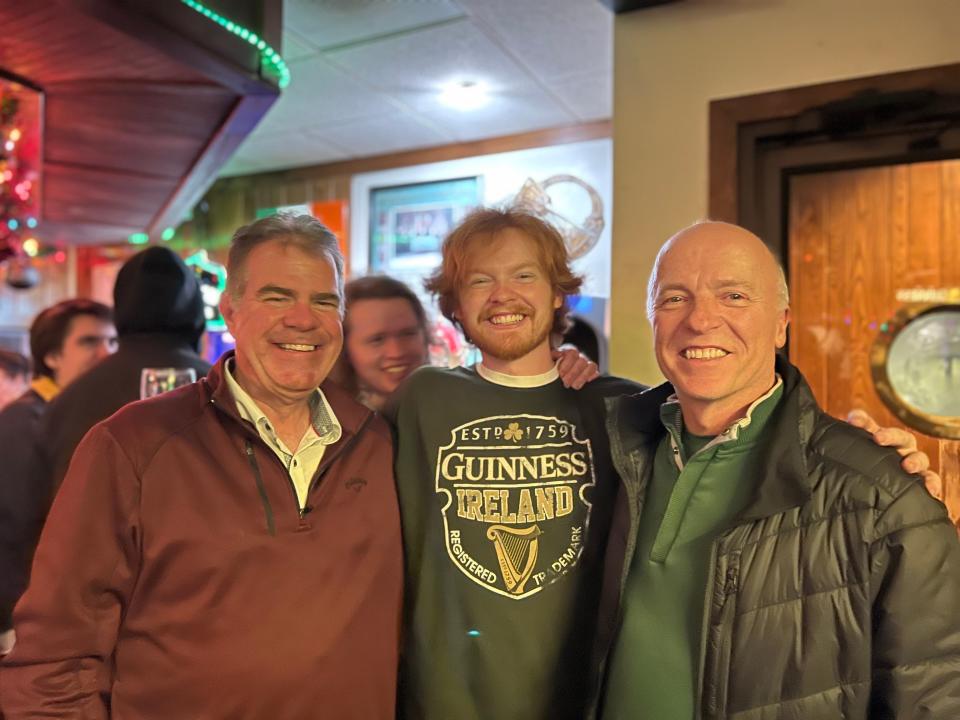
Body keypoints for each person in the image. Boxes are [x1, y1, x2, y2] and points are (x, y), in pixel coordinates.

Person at [0, 214, 402, 718]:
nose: (304, 318)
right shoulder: (132, 445)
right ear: (230, 312)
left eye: (325, 301)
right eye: (277, 297)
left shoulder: (381, 443)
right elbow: (55, 660)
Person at [600, 221, 960, 719]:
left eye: (734, 296)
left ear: (781, 323)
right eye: (673, 299)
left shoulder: (883, 493)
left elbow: (934, 695)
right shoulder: (613, 454)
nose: (701, 320)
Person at [391, 207, 648, 719]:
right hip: (444, 701)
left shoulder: (617, 406)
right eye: (480, 280)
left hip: (580, 698)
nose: (502, 294)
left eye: (524, 275)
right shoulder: (423, 398)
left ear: (557, 294)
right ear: (455, 307)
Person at [0, 299, 116, 657]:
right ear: (51, 356)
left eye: (112, 342)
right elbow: (17, 534)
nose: (106, 353)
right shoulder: (26, 423)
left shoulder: (68, 416)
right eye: (89, 342)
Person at [44, 245, 212, 487]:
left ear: (121, 308)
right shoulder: (228, 390)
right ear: (195, 311)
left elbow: (41, 506)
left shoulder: (70, 401)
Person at [333, 274, 431, 411]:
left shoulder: (452, 408)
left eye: (407, 334)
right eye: (377, 340)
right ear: (344, 350)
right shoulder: (328, 424)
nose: (396, 352)